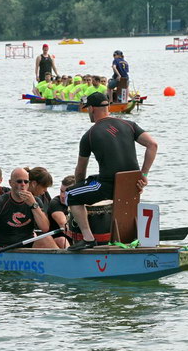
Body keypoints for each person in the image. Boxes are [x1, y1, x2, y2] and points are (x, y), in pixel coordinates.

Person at [66, 92, 158, 250]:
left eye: (88, 108)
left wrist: (79, 186)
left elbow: (80, 171)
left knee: (71, 194)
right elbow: (153, 145)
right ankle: (135, 238)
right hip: (133, 184)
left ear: (92, 108)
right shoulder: (130, 125)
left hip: (108, 186)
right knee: (92, 180)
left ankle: (88, 238)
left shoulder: (89, 135)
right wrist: (143, 174)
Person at [0, 168, 56, 260]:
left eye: (26, 182)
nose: (23, 185)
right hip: (6, 248)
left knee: (46, 239)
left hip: (28, 245)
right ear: (10, 183)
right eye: (19, 181)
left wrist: (33, 206)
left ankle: (62, 264)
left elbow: (45, 228)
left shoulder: (36, 201)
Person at [47, 175, 76, 249]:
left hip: (76, 240)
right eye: (61, 191)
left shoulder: (81, 204)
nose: (62, 196)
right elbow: (64, 226)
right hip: (58, 241)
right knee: (62, 240)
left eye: (66, 193)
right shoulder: (55, 203)